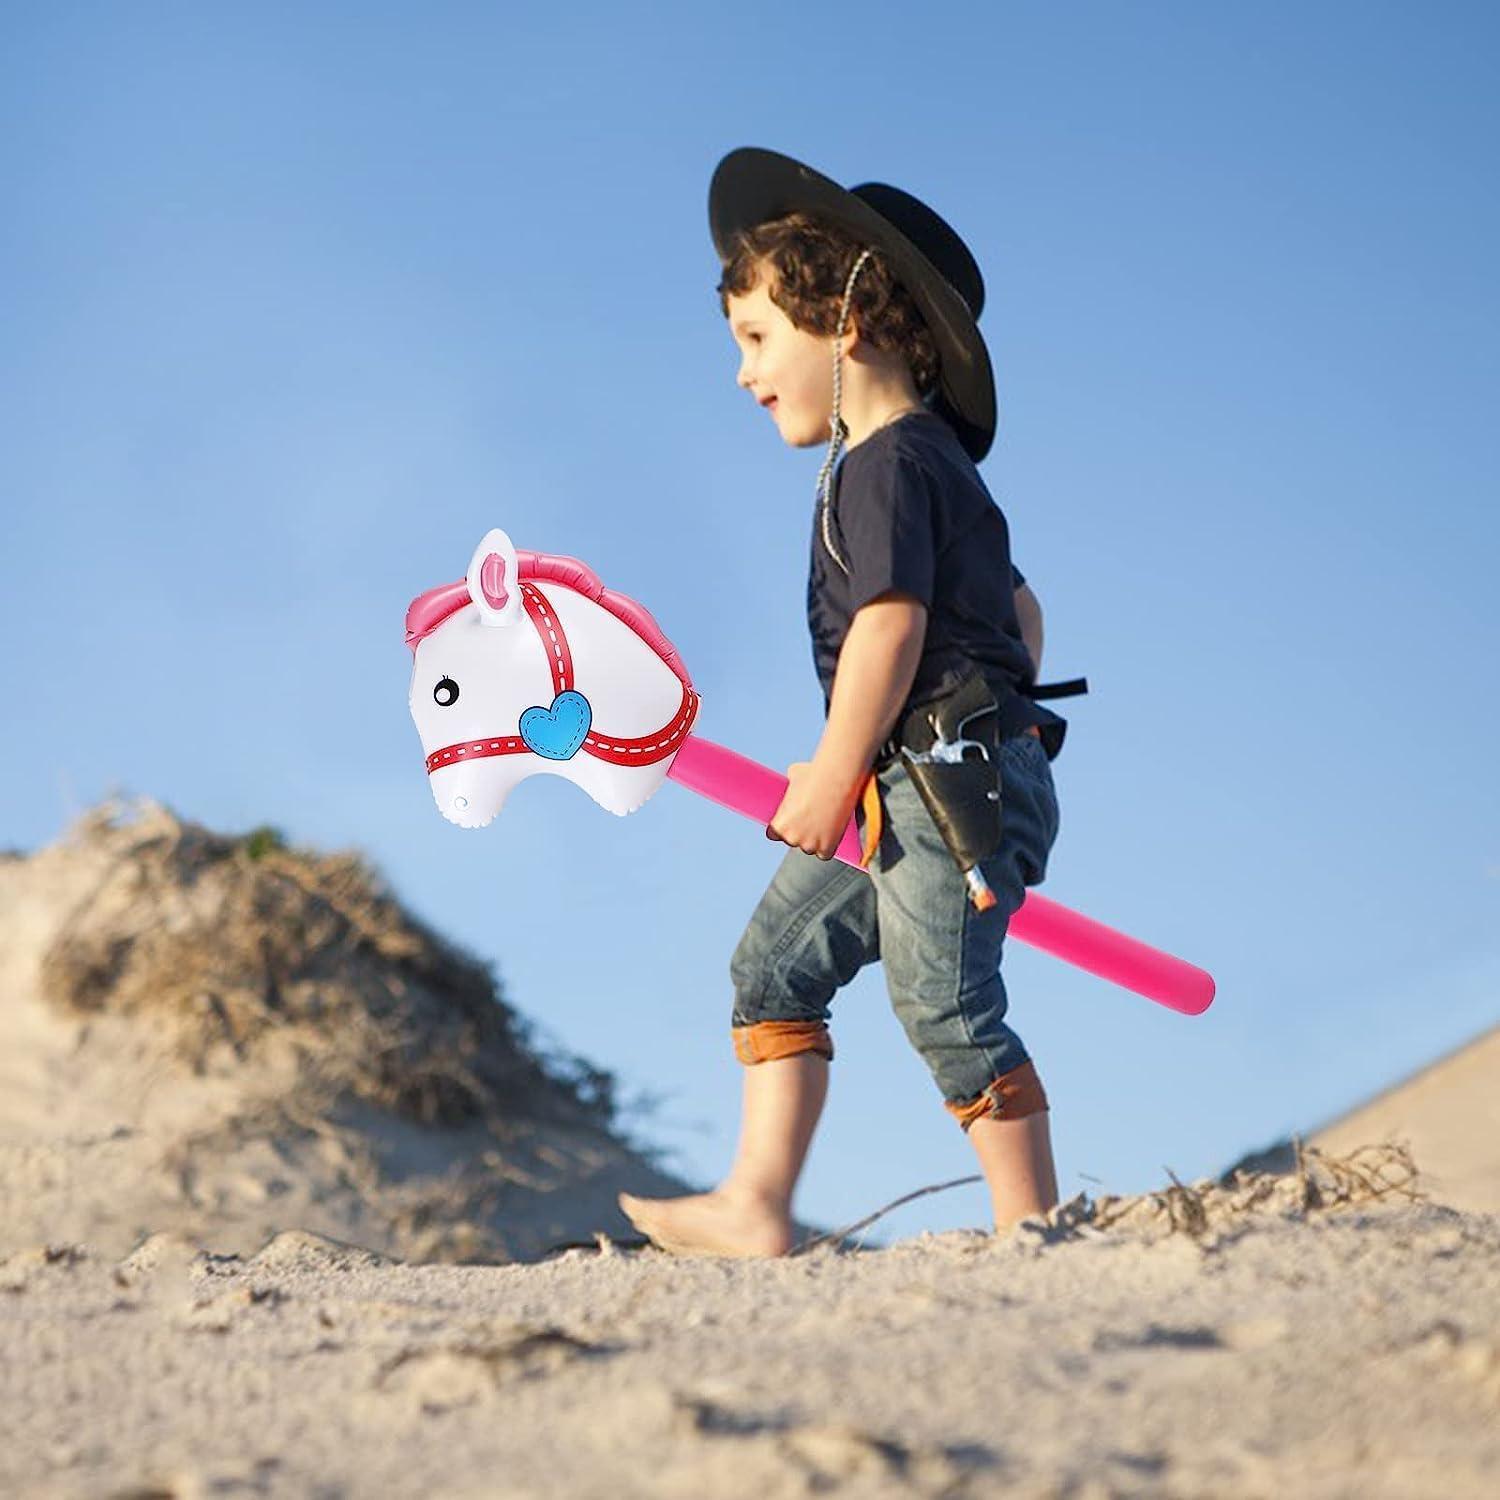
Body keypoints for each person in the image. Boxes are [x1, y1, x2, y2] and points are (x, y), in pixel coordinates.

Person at [620, 148, 1081, 1258]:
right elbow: (1020, 613)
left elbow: (891, 626)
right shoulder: (920, 469)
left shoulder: (887, 462)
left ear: (851, 319)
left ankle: (1037, 1230)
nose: (742, 372)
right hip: (919, 773)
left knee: (944, 1004)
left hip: (939, 789)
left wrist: (838, 768)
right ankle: (755, 1203)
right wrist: (934, 737)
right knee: (775, 969)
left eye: (758, 338)